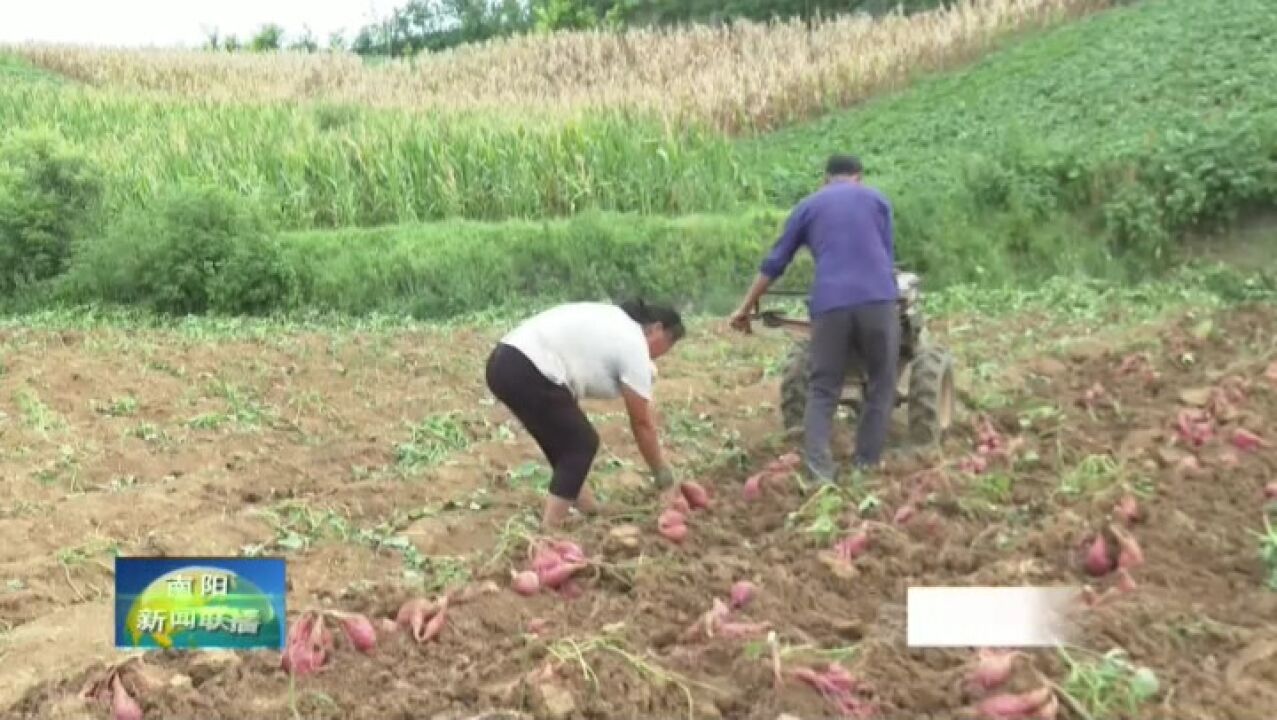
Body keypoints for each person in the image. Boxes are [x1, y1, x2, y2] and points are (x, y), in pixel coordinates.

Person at [728, 154, 899, 483]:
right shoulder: (877, 200)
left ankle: (820, 473)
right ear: (858, 177)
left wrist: (746, 307)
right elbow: (886, 256)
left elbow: (775, 262)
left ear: (825, 179)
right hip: (878, 300)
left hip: (830, 304)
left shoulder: (808, 206)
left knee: (821, 389)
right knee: (881, 383)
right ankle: (866, 465)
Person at [485, 299, 685, 528]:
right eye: (669, 343)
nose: (662, 354)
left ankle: (587, 508)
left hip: (502, 363)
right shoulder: (634, 344)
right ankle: (550, 532)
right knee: (582, 443)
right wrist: (664, 478)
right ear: (657, 329)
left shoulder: (612, 321)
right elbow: (641, 423)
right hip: (528, 365)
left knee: (564, 442)